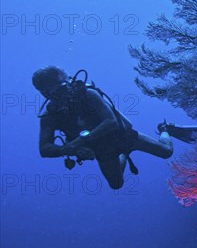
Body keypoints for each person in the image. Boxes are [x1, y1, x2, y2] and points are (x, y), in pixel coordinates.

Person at [33, 66, 173, 190]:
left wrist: (79, 142)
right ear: (45, 94)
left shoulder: (89, 95)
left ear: (69, 82)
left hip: (122, 136)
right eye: (53, 94)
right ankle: (123, 154)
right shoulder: (49, 117)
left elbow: (111, 121)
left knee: (166, 152)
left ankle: (164, 130)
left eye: (62, 89)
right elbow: (44, 148)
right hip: (102, 149)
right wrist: (70, 150)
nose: (62, 96)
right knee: (116, 185)